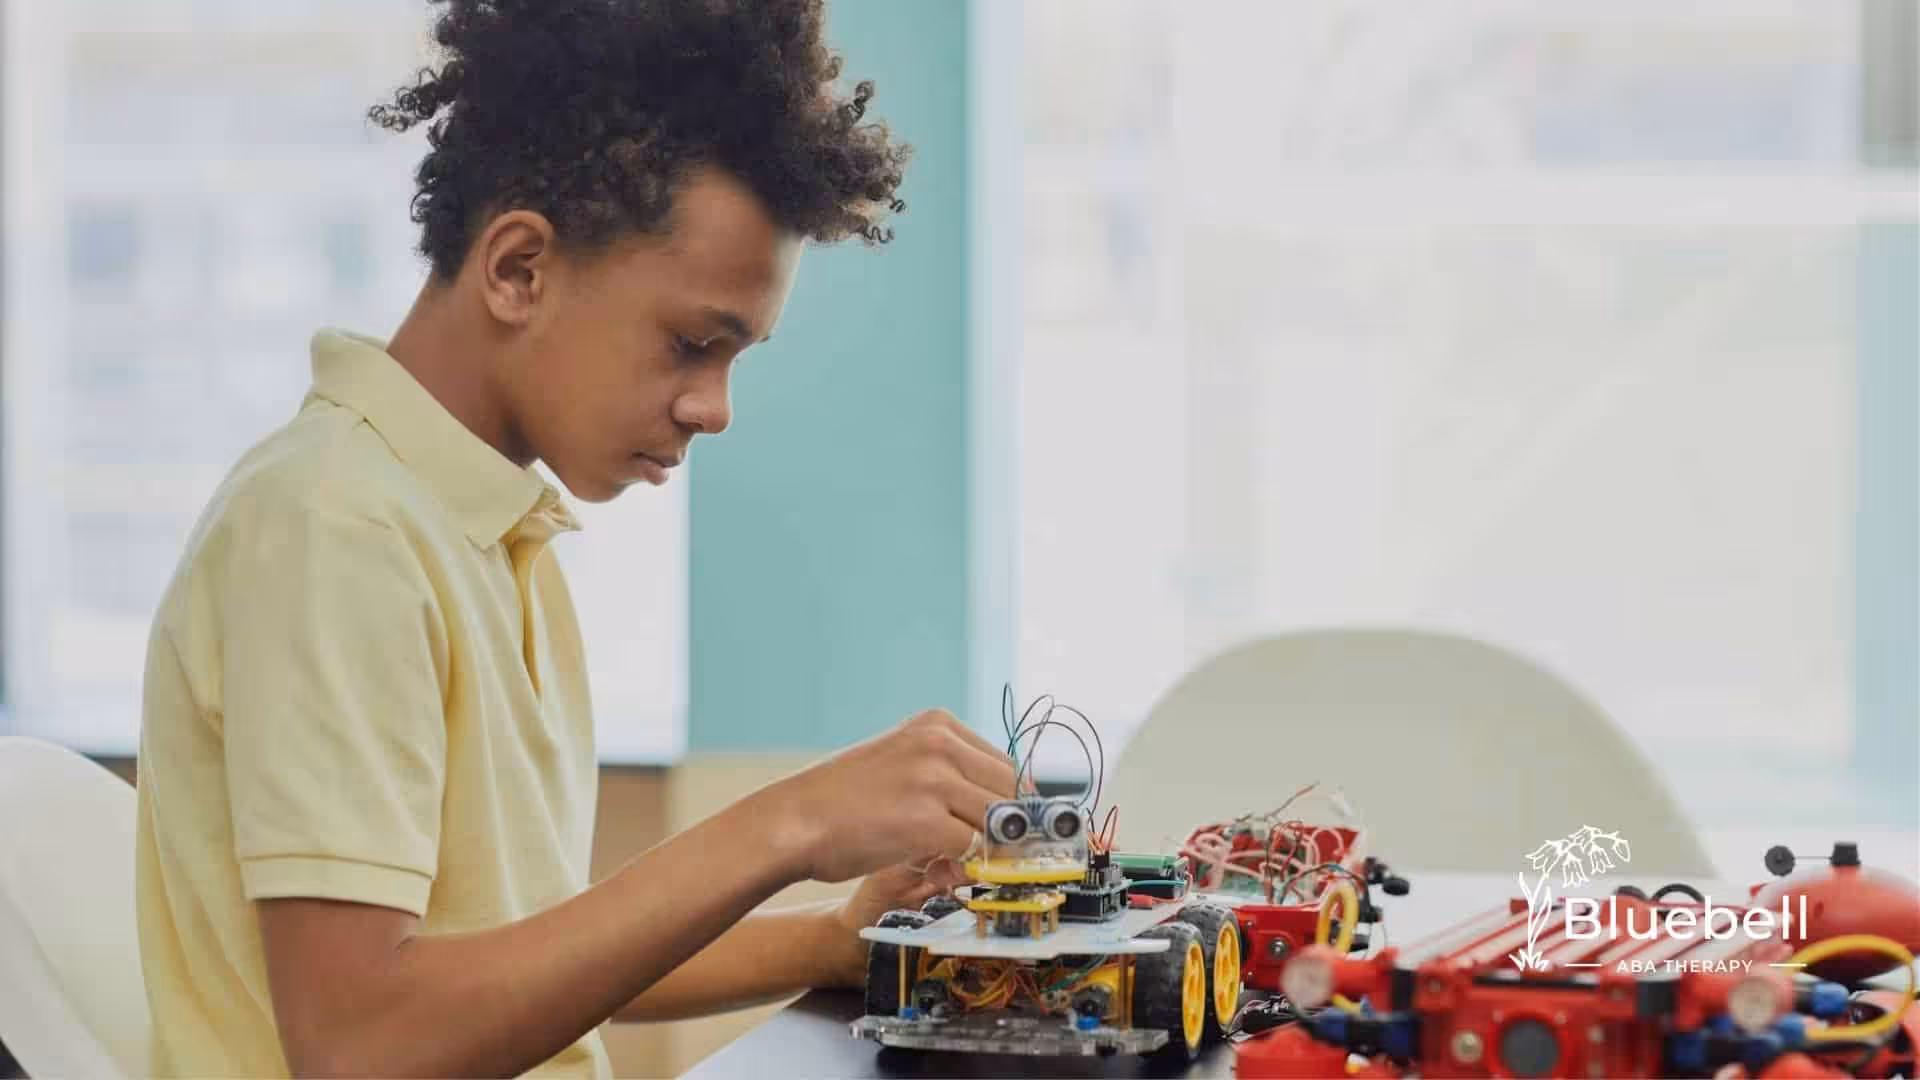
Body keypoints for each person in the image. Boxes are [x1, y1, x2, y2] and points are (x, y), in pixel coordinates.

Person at [131, 1, 1016, 1076]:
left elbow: (526, 960)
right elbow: (361, 1042)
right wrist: (785, 828)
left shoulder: (486, 530)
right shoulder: (332, 527)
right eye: (694, 342)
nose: (715, 407)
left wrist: (831, 941)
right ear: (518, 271)